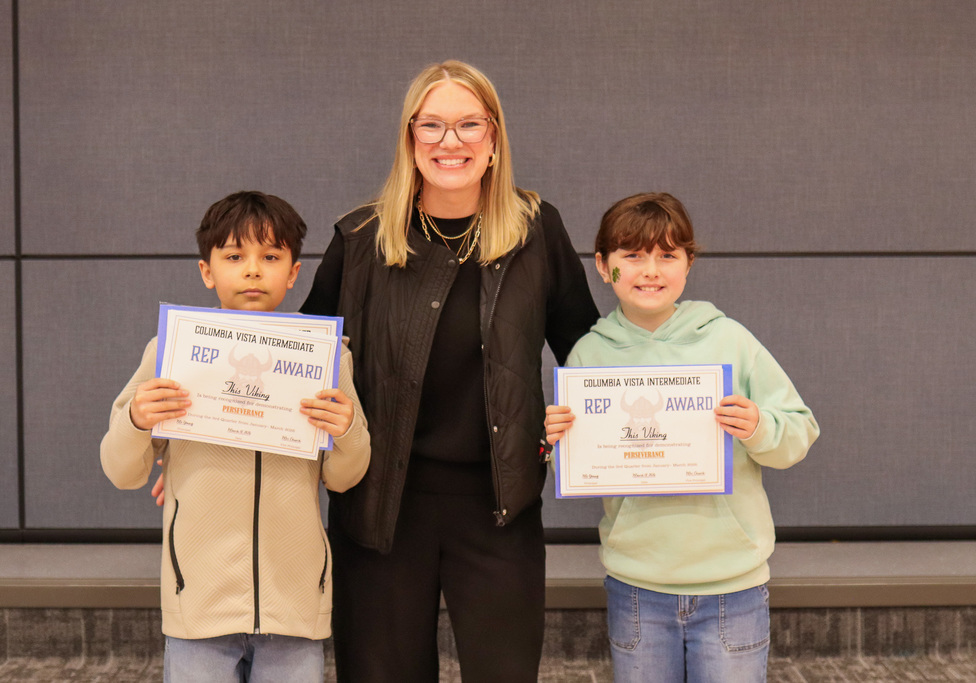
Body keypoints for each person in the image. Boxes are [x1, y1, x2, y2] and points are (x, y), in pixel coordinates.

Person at [300, 60, 600, 682]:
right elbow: (294, 366)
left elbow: (591, 354)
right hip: (379, 508)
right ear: (410, 137)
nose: (450, 141)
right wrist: (201, 445)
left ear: (493, 139)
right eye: (432, 125)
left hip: (498, 508)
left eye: (469, 125)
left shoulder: (536, 230)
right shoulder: (359, 239)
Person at [544, 192, 819, 683]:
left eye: (667, 255)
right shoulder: (588, 355)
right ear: (604, 267)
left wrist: (759, 426)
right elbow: (580, 466)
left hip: (732, 585)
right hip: (636, 588)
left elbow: (799, 430)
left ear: (688, 264)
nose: (651, 270)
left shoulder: (729, 339)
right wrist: (555, 443)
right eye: (633, 255)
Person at [100, 191, 370, 683]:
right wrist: (138, 421)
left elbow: (346, 479)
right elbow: (122, 471)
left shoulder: (328, 360)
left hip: (294, 605)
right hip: (198, 602)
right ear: (207, 271)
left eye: (270, 257)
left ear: (293, 273)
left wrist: (347, 429)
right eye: (234, 256)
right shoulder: (169, 352)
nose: (252, 270)